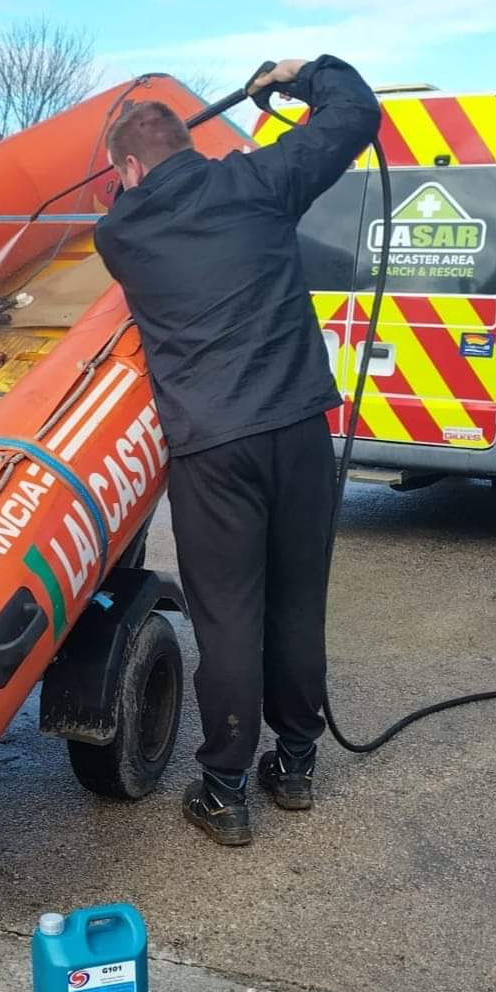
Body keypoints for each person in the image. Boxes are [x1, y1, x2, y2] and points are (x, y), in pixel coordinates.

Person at [94, 57, 380, 846]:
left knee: (228, 619)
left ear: (125, 166)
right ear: (187, 144)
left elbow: (134, 202)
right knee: (295, 602)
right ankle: (292, 765)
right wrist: (299, 75)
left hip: (214, 448)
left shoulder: (118, 232)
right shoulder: (259, 183)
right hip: (297, 434)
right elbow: (356, 114)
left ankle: (223, 789)